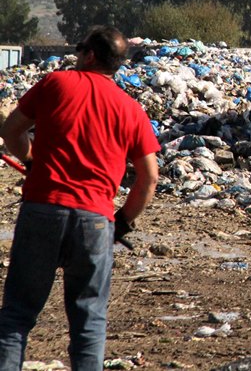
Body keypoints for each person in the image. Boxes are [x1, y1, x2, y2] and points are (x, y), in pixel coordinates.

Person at [0, 25, 160, 370]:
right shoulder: (130, 109)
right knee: (89, 325)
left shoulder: (57, 83)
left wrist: (29, 160)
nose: (75, 55)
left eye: (79, 48)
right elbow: (149, 178)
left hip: (43, 209)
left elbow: (11, 130)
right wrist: (123, 222)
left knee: (16, 316)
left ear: (89, 55)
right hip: (96, 221)